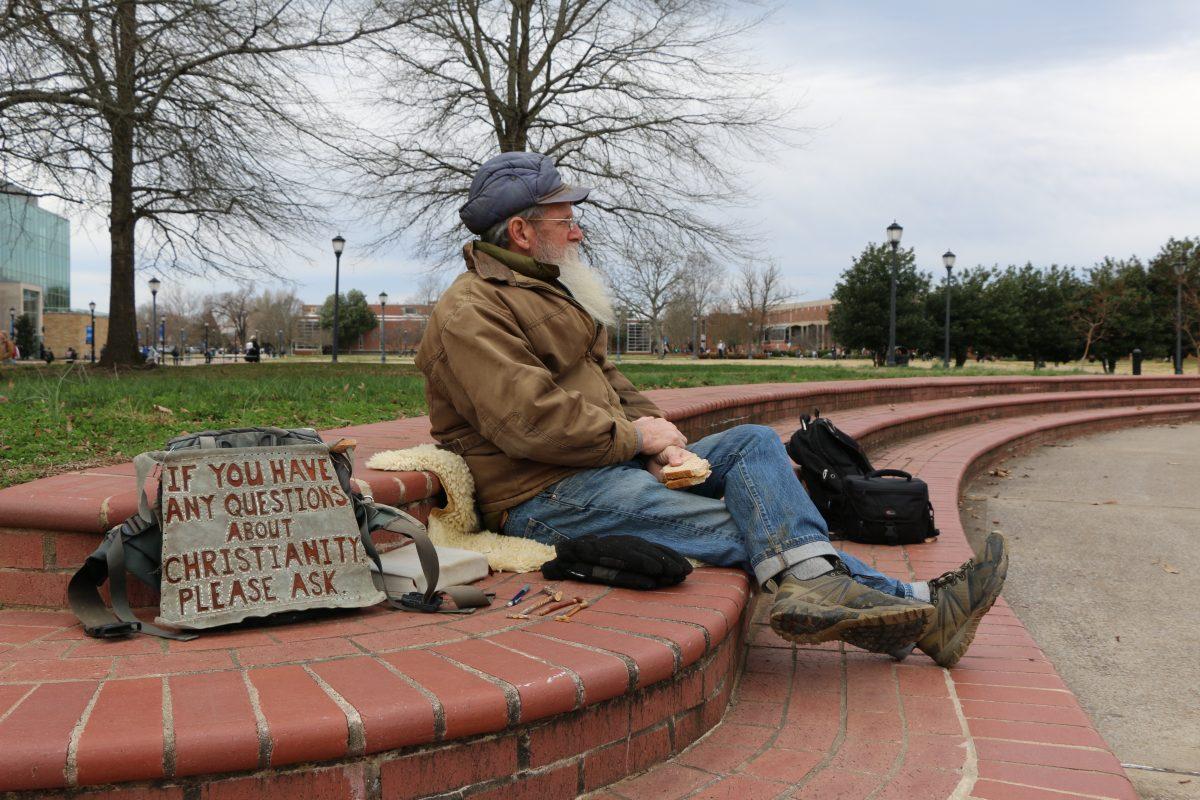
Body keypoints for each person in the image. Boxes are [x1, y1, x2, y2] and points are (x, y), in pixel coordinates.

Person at [416, 152, 1007, 665]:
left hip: (599, 467)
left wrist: (664, 439)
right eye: (566, 220)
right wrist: (634, 441)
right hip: (543, 496)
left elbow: (607, 380)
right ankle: (927, 610)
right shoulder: (472, 312)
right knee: (761, 525)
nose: (578, 233)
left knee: (752, 440)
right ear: (521, 232)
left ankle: (860, 601)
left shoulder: (544, 292)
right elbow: (530, 421)